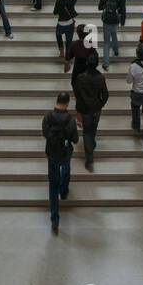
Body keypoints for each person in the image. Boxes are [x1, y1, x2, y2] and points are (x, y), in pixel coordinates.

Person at [42, 92, 78, 235]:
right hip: (65, 152)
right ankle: (64, 191)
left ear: (56, 101)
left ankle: (55, 218)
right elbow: (75, 139)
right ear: (67, 103)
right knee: (66, 169)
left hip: (52, 153)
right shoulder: (70, 120)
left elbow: (45, 133)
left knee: (52, 184)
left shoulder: (48, 117)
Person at [75, 50, 109, 171]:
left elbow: (77, 94)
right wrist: (101, 104)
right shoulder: (100, 77)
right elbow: (105, 95)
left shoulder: (80, 78)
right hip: (96, 108)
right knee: (93, 128)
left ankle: (89, 158)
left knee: (86, 132)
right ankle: (91, 144)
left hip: (85, 109)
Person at [97, 0, 122, 70]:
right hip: (115, 19)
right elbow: (121, 10)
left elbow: (99, 7)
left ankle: (106, 64)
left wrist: (106, 7)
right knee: (114, 34)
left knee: (106, 42)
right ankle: (116, 51)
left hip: (106, 20)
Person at [53, 0, 77, 64]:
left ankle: (61, 50)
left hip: (61, 23)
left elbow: (55, 12)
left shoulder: (58, 1)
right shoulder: (73, 0)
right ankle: (67, 59)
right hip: (70, 23)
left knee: (58, 34)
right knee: (69, 42)